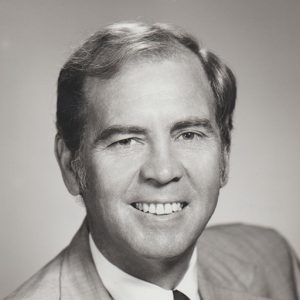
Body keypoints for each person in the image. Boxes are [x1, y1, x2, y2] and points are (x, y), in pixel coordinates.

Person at [5, 21, 300, 300]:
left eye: (189, 135)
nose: (163, 171)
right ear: (71, 166)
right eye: (126, 141)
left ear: (225, 154)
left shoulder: (271, 258)